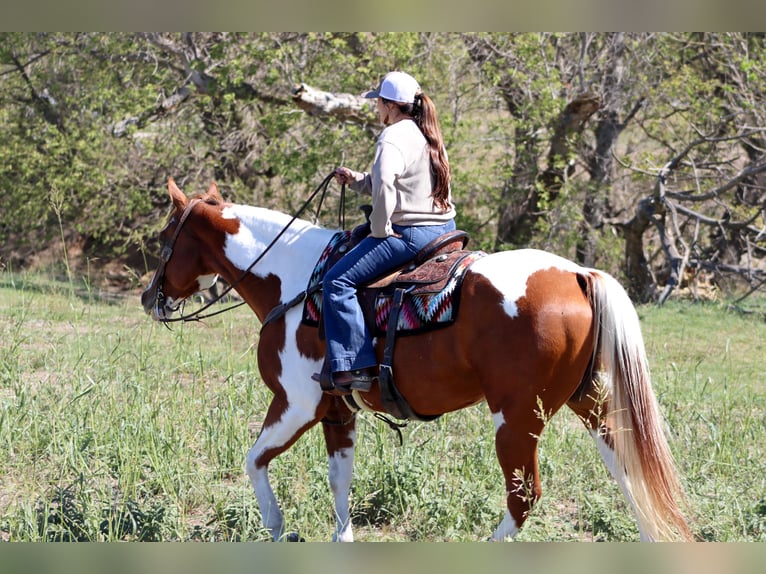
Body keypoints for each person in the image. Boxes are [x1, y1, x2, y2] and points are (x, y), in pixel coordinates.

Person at [313, 71, 456, 396]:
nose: (376, 108)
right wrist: (359, 179)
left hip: (411, 234)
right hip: (444, 228)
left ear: (389, 105)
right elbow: (403, 182)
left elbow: (387, 188)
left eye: (378, 102)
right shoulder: (426, 131)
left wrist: (380, 230)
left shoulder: (392, 136)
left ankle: (355, 366)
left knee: (337, 281)